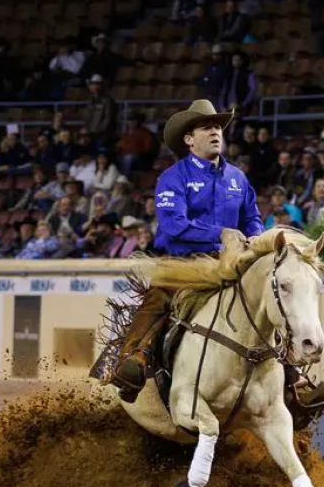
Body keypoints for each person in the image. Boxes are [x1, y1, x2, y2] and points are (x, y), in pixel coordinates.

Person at [112, 100, 264, 403]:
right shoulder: (173, 177)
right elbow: (173, 225)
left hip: (231, 261)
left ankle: (293, 375)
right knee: (160, 297)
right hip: (183, 261)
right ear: (189, 139)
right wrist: (220, 233)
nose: (215, 132)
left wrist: (255, 240)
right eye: (207, 127)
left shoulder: (238, 178)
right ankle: (131, 361)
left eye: (218, 126)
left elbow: (252, 218)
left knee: (270, 299)